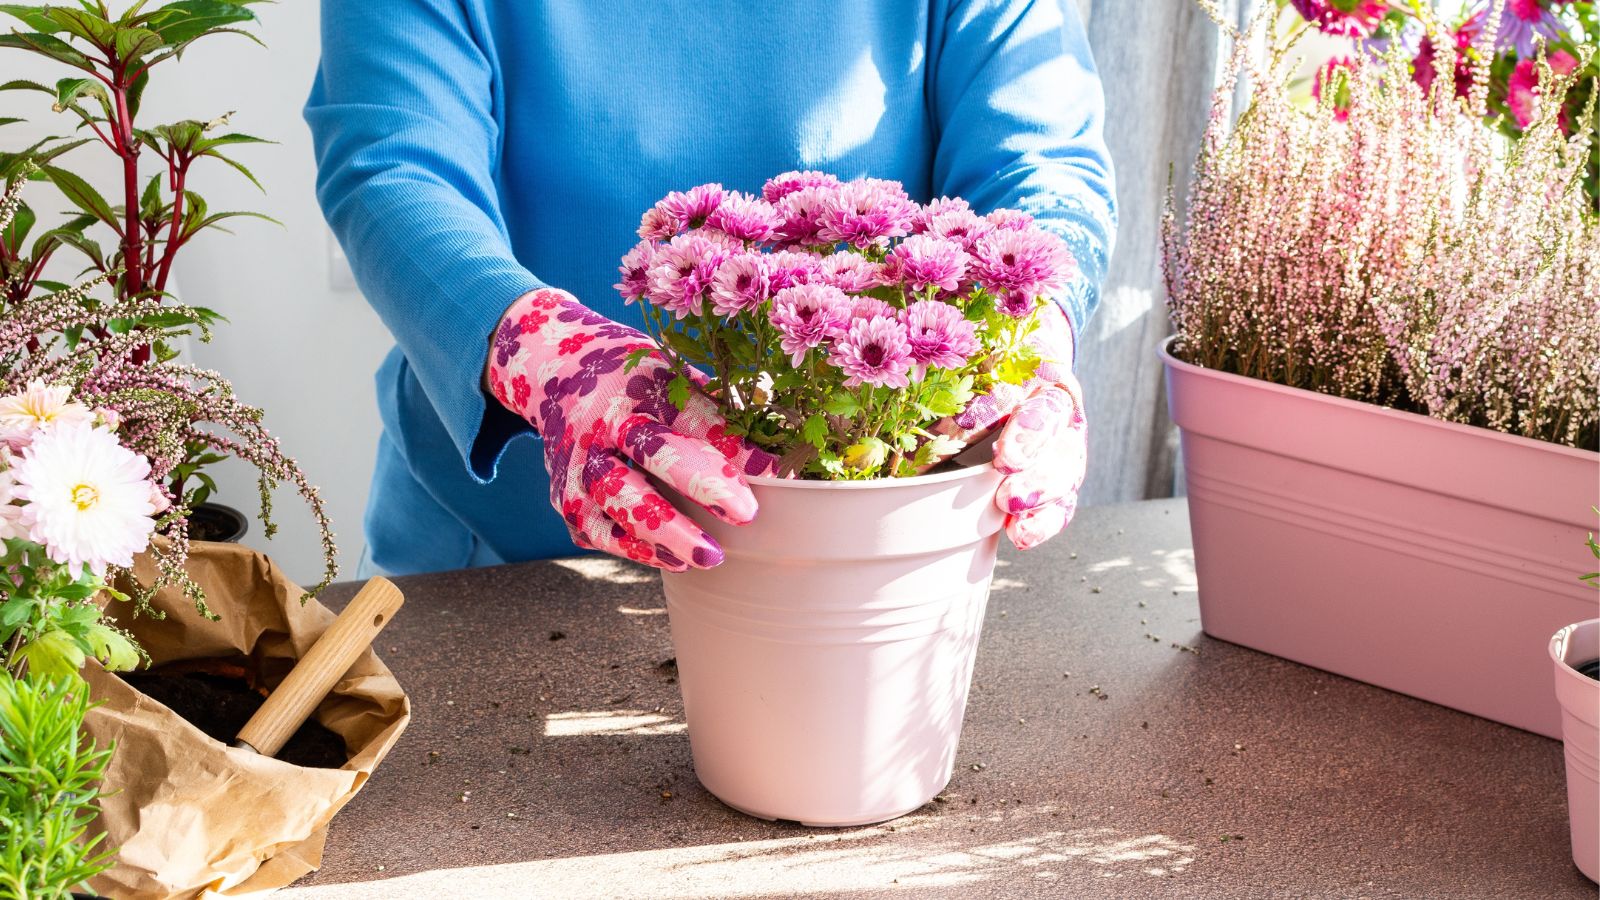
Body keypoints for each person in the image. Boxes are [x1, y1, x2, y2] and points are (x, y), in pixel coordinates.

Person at [306, 0, 1116, 577]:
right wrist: (548, 353)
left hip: (858, 560)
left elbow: (1042, 159)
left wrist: (1033, 329)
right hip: (508, 557)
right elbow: (393, 162)